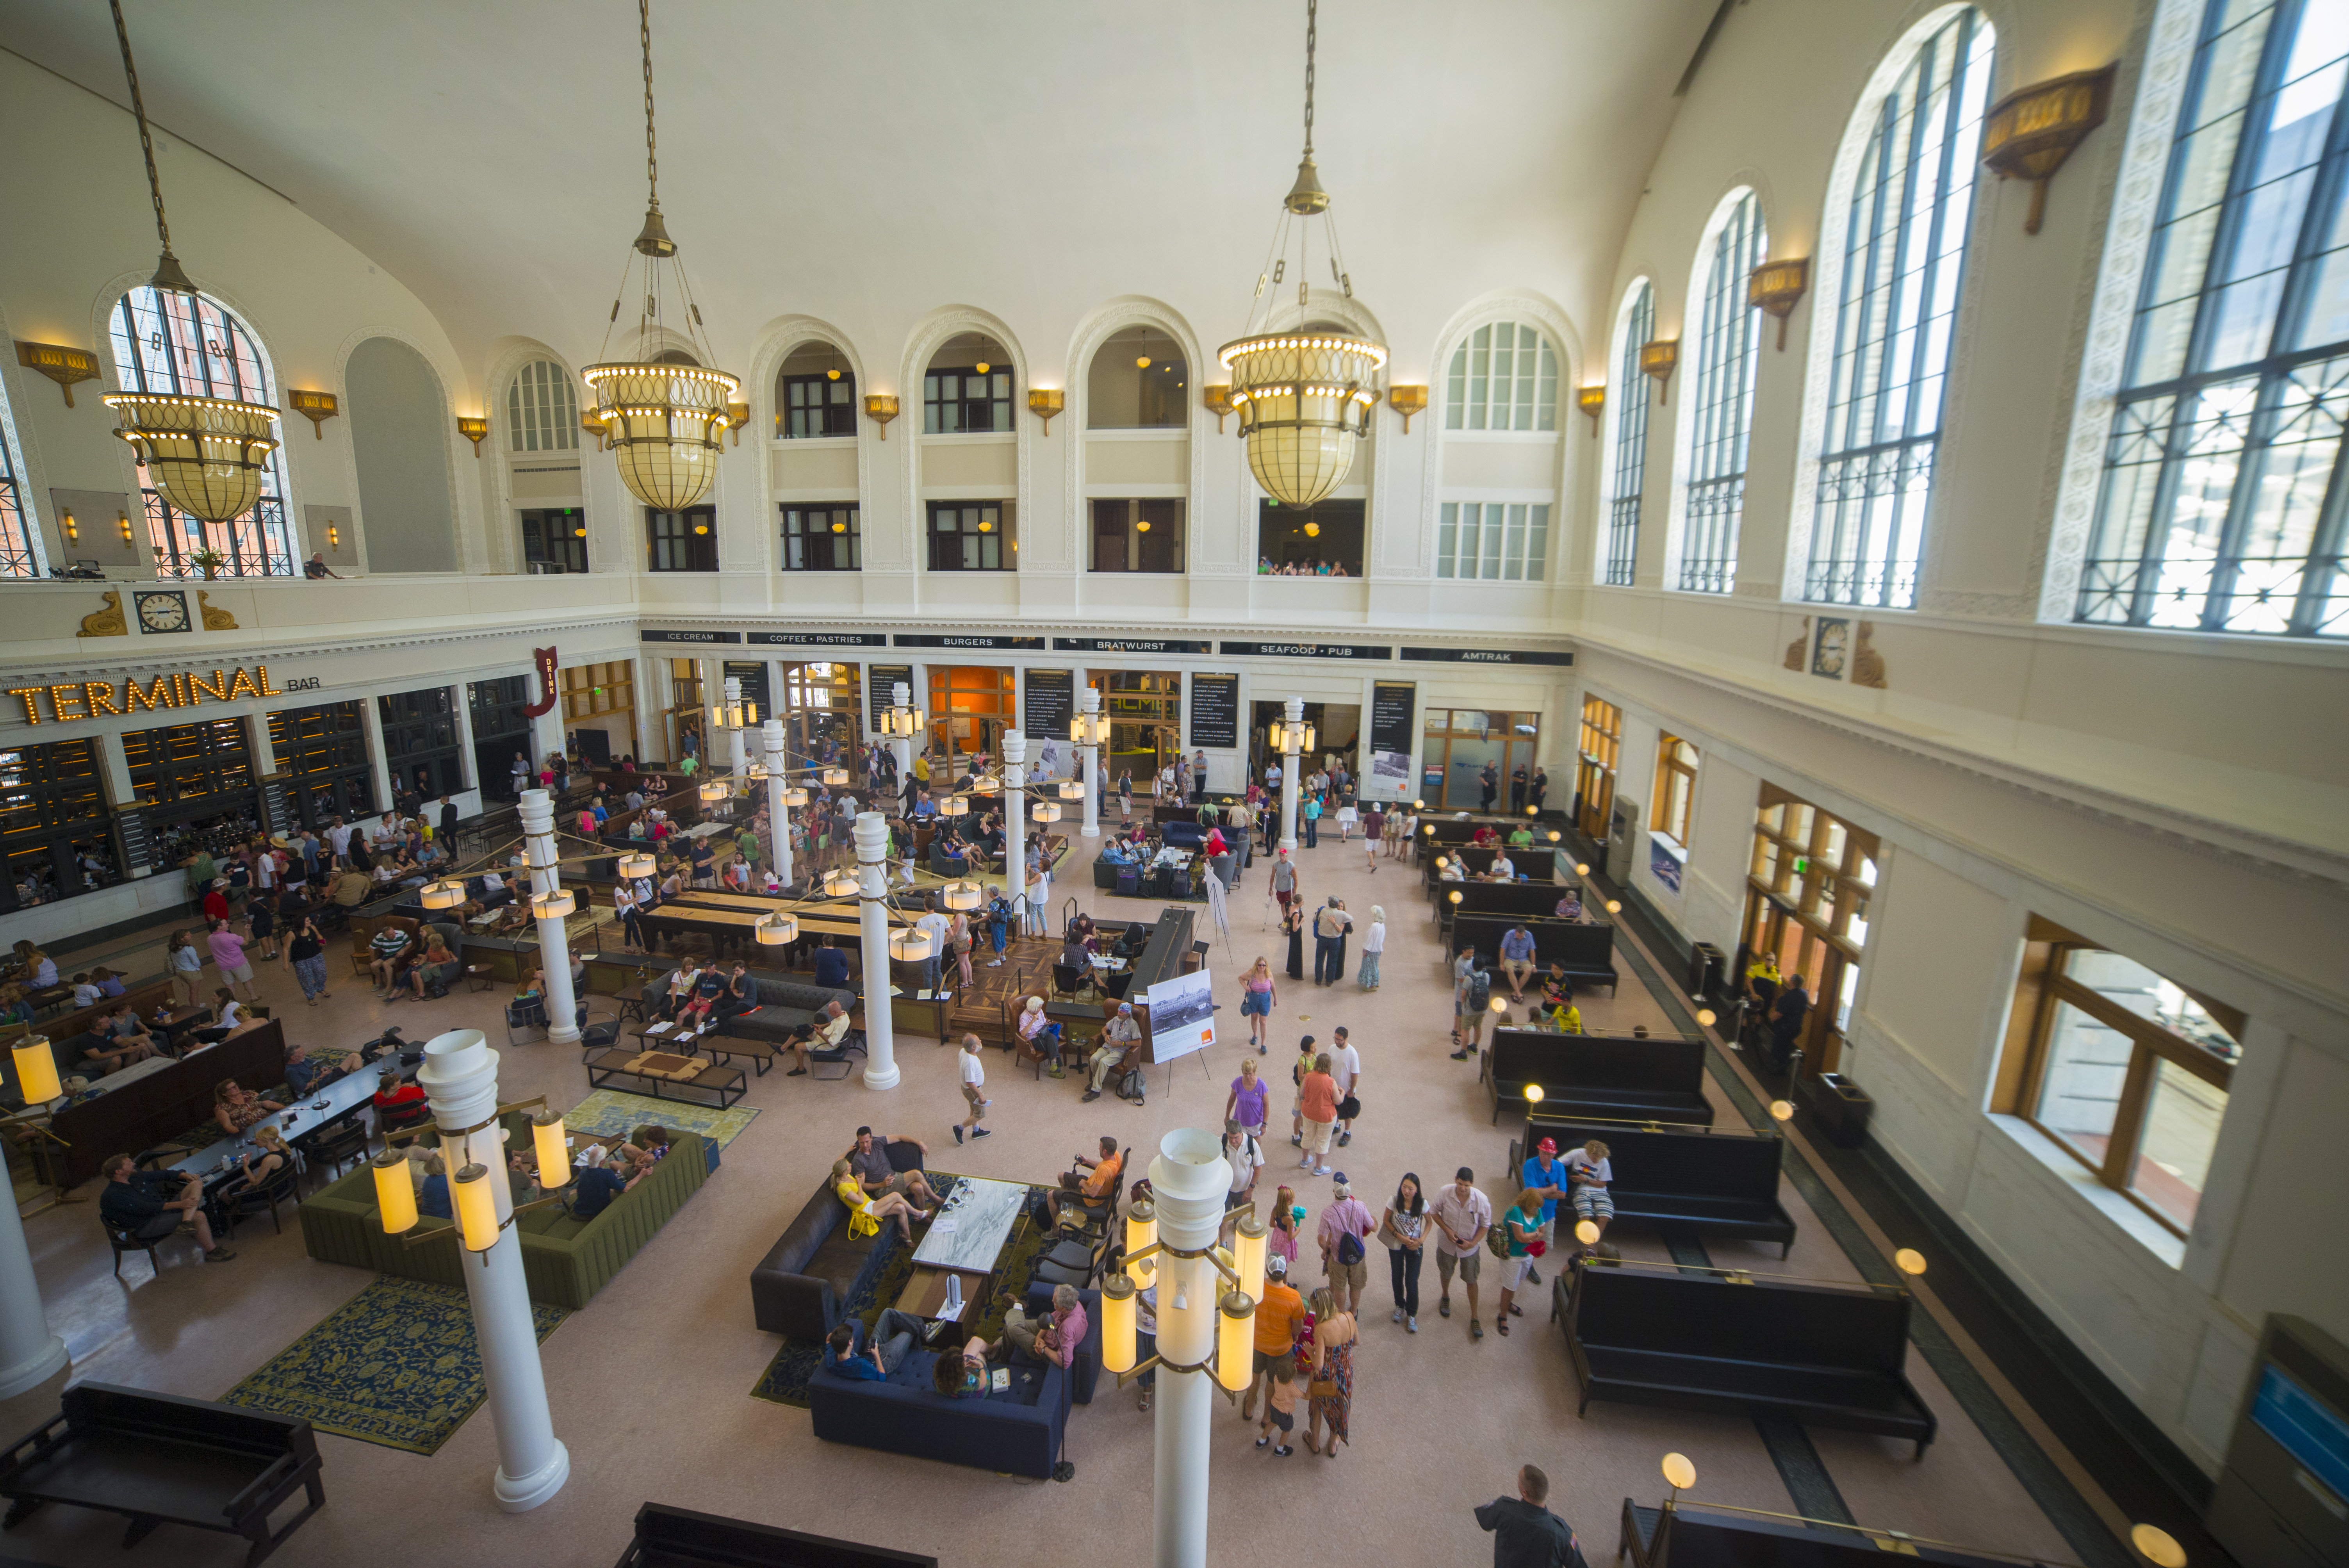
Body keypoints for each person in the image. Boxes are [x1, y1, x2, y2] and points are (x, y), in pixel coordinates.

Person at [98, 1153, 234, 1263]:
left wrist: (184, 1175)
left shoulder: (135, 1176)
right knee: (199, 1216)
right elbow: (147, 1209)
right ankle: (212, 1252)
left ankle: (186, 1223)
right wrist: (180, 1205)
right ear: (119, 1172)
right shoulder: (114, 1195)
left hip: (161, 1211)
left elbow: (162, 1175)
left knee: (197, 1184)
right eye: (129, 1163)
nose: (134, 1164)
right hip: (146, 1225)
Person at [1242, 1253, 1306, 1424]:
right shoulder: (1294, 1297)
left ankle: (1249, 1409)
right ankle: (1266, 1417)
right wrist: (1294, 1336)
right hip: (1280, 1349)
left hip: (1256, 1343)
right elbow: (1298, 1328)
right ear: (1286, 1272)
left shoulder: (1255, 1287)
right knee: (1272, 1382)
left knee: (1255, 1376)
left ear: (1267, 1270)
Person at [1431, 1166, 1493, 1340]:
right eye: (1460, 1184)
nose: (1463, 1188)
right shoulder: (1445, 1192)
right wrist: (1447, 1230)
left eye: (1466, 1185)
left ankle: (1475, 1317)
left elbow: (1486, 1224)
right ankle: (1445, 1296)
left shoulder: (1481, 1200)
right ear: (1455, 1180)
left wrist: (1473, 1243)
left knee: (1472, 1280)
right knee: (1446, 1272)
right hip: (1447, 1244)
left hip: (1470, 1248)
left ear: (1472, 1184)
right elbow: (1433, 1212)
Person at [1476, 1465, 1581, 1568]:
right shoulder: (1563, 1535)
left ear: (1525, 1492)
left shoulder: (1503, 1509)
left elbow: (1485, 1523)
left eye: (1519, 1479)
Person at [1303, 1284, 1355, 1459]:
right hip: (1345, 1371)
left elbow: (1319, 1365)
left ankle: (1314, 1443)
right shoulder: (1349, 1317)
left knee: (1318, 1405)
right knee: (1339, 1407)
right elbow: (1356, 1342)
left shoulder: (1321, 1329)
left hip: (1326, 1374)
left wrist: (1310, 1352)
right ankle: (1333, 1445)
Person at [831, 1156, 930, 1243]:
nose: (851, 1165)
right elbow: (860, 1201)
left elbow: (838, 1161)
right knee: (896, 1195)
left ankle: (907, 1237)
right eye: (848, 1165)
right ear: (844, 1172)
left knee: (901, 1208)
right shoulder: (843, 1188)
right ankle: (918, 1214)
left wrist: (849, 1150)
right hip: (865, 1212)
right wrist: (860, 1184)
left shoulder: (846, 1176)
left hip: (870, 1204)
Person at [1316, 1175, 1376, 1317]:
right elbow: (1373, 1227)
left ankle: (1341, 1314)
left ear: (1334, 1191)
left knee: (1339, 1288)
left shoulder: (1328, 1213)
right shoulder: (1360, 1206)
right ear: (1349, 1192)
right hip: (1358, 1257)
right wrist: (1374, 1220)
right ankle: (1354, 1312)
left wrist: (1328, 1250)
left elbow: (1321, 1240)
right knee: (1356, 1286)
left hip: (1338, 1258)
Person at [844, 1127, 939, 1209]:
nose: (865, 1145)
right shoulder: (858, 1160)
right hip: (882, 1189)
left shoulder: (877, 1143)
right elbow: (862, 1185)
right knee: (916, 1174)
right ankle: (937, 1200)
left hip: (894, 1177)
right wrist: (881, 1184)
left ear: (872, 1138)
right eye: (862, 1143)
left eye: (867, 1142)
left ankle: (922, 1218)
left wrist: (919, 1143)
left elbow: (899, 1137)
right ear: (858, 1141)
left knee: (918, 1188)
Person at [1381, 1172, 1427, 1331]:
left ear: (1417, 1190)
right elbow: (1386, 1220)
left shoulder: (1422, 1204)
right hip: (1397, 1244)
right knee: (1397, 1275)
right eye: (1404, 1187)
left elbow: (1430, 1222)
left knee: (1412, 1281)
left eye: (1411, 1189)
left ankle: (1412, 1313)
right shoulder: (1394, 1201)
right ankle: (1400, 1305)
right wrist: (1399, 1236)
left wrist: (1421, 1240)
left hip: (1414, 1246)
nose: (1406, 1191)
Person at [1494, 1186, 1542, 1334]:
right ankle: (1502, 1316)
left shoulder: (1537, 1210)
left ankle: (1508, 1303)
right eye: (1534, 1207)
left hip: (1528, 1255)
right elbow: (1520, 1237)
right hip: (1512, 1256)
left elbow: (1543, 1231)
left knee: (1516, 1282)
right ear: (1527, 1204)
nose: (1537, 1211)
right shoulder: (1515, 1211)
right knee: (1509, 1287)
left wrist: (1531, 1237)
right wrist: (1536, 1235)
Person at [1005, 1283, 1087, 1370]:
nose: (1052, 1301)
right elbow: (1051, 1320)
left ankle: (1018, 1307)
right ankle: (999, 1351)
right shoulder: (1074, 1304)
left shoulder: (1067, 1329)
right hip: (1049, 1330)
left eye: (1055, 1302)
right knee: (1011, 1326)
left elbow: (1065, 1362)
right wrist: (1039, 1337)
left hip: (1046, 1349)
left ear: (1063, 1308)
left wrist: (1044, 1348)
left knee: (1012, 1329)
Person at [1518, 1137, 1565, 1285]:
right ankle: (1523, 1265)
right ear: (1539, 1151)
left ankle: (1529, 1264)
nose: (1546, 1157)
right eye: (1544, 1153)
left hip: (1549, 1216)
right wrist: (1552, 1189)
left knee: (1540, 1243)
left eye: (1550, 1154)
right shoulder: (1530, 1165)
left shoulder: (1559, 1168)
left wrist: (1541, 1192)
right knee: (1525, 1239)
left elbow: (1562, 1194)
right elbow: (1531, 1193)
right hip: (1530, 1214)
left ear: (1554, 1154)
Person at [1046, 1135, 1123, 1226]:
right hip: (1091, 1183)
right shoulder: (1116, 1155)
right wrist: (1087, 1161)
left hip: (1088, 1199)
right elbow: (1103, 1165)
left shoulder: (1104, 1170)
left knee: (1050, 1195)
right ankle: (1064, 1202)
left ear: (1105, 1151)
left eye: (1100, 1147)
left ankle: (1056, 1228)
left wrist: (1083, 1184)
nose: (1099, 1148)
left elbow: (1093, 1194)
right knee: (1061, 1176)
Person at [1083, 1002, 1143, 1101]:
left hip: (1119, 1051)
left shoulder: (1133, 1025)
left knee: (1104, 1062)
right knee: (1093, 1059)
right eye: (1118, 1012)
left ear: (1128, 1014)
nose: (1119, 1014)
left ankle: (1096, 1091)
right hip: (1108, 1047)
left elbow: (1139, 1042)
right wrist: (1105, 1036)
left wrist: (1122, 1044)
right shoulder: (1116, 1020)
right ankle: (1097, 1081)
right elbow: (1104, 1029)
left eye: (1121, 1013)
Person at [1563, 1138, 1614, 1248]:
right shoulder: (1578, 1153)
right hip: (1581, 1190)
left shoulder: (1604, 1161)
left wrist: (1585, 1180)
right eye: (1595, 1157)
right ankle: (1585, 1240)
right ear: (1589, 1153)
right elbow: (1559, 1163)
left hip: (1600, 1191)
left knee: (1605, 1215)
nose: (1597, 1160)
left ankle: (1591, 1243)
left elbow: (1603, 1184)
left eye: (1600, 1158)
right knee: (1586, 1214)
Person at [1296, 1051, 1338, 1176]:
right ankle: (1318, 1168)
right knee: (1323, 1141)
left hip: (1308, 1113)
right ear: (1329, 1066)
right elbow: (1338, 1101)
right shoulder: (1331, 1082)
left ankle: (1305, 1160)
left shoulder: (1309, 1076)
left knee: (1307, 1136)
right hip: (1326, 1117)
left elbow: (1302, 1094)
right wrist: (1341, 1093)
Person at [1255, 1351, 1300, 1456]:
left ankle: (1261, 1440)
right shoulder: (1292, 1387)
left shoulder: (1276, 1378)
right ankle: (1280, 1449)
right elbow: (1306, 1397)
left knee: (1273, 1422)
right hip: (1285, 1413)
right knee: (1287, 1430)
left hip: (1274, 1407)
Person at [1452, 945, 1492, 1060]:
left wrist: (1463, 1007)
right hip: (1482, 1008)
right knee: (1478, 1027)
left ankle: (1463, 1053)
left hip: (1470, 1010)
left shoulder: (1469, 979)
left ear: (1473, 966)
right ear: (1483, 967)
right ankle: (1474, 1047)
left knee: (1465, 1030)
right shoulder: (1487, 976)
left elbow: (1463, 995)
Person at [207, 919, 259, 1004]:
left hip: (223, 966)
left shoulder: (210, 939)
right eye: (225, 924)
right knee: (246, 980)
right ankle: (253, 997)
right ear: (219, 927)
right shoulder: (231, 937)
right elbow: (246, 942)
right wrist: (246, 931)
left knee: (229, 985)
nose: (228, 925)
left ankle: (231, 1002)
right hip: (238, 963)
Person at [1328, 1025, 1363, 1146]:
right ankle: (1337, 1125)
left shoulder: (1352, 1053)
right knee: (1335, 1107)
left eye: (1340, 1040)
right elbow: (1329, 1066)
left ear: (1346, 1039)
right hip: (1334, 1087)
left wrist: (1351, 1090)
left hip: (1347, 1089)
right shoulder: (1332, 1049)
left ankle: (1347, 1132)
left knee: (1348, 1111)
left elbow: (1355, 1074)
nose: (1337, 1042)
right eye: (1336, 1039)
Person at [1768, 974, 1811, 1070]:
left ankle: (1777, 1068)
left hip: (1784, 1027)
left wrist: (1771, 1018)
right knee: (1786, 1046)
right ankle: (1783, 1068)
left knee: (1778, 1047)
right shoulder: (1804, 995)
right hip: (1797, 1027)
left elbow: (1779, 1014)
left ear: (1791, 982)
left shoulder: (1787, 997)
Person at [953, 1033, 991, 1144]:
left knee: (974, 1109)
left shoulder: (963, 1051)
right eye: (979, 1041)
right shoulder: (970, 1062)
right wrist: (980, 1096)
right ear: (973, 1047)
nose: (981, 1041)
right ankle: (959, 1128)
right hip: (972, 1090)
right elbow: (970, 1083)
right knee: (980, 1114)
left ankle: (976, 1131)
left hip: (967, 1089)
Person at [212, 1077, 282, 1135]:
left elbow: (268, 1104)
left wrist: (286, 1109)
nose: (236, 1088)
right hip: (250, 1131)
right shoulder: (222, 1108)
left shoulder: (250, 1094)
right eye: (232, 1088)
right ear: (224, 1094)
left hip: (267, 1121)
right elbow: (228, 1126)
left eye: (235, 1086)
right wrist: (243, 1135)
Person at [282, 1041, 348, 1099]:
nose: (305, 1054)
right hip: (324, 1083)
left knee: (353, 1056)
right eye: (302, 1053)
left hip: (329, 1075)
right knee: (349, 1081)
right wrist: (321, 1077)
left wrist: (322, 1067)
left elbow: (316, 1063)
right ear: (293, 1058)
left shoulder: (302, 1060)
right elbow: (304, 1088)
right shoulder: (291, 1071)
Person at [1238, 957, 1277, 1053]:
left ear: (1266, 966)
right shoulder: (1252, 973)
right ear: (1257, 965)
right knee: (1254, 1019)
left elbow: (1273, 987)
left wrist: (1276, 999)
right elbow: (1241, 978)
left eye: (1264, 965)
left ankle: (1263, 1044)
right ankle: (1255, 1035)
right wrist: (1245, 986)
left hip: (1265, 999)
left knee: (1263, 1022)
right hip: (1254, 998)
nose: (1262, 967)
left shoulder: (1269, 974)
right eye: (1260, 965)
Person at [1225, 1057, 1270, 1139]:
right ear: (1242, 1072)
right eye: (1245, 1074)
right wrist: (1227, 1116)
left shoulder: (1261, 1085)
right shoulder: (1237, 1083)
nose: (1248, 1076)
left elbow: (1266, 1105)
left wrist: (1264, 1124)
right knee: (1239, 1140)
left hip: (1256, 1122)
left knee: (1256, 1140)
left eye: (1250, 1074)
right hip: (1240, 1120)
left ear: (1255, 1072)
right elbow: (1232, 1100)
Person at [1310, 897, 1350, 986]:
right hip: (1335, 941)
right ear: (1337, 905)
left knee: (1319, 960)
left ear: (1328, 903)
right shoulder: (1341, 914)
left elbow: (1314, 920)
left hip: (1322, 939)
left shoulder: (1322, 911)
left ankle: (1319, 979)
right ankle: (1329, 981)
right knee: (1333, 961)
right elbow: (1351, 919)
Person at [367, 921, 413, 998]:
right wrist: (373, 960)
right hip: (387, 954)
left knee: (386, 964)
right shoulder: (380, 937)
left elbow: (410, 944)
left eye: (394, 932)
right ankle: (380, 982)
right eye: (391, 935)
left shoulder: (401, 934)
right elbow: (371, 948)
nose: (394, 935)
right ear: (384, 935)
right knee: (373, 965)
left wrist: (403, 950)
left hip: (397, 955)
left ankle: (390, 987)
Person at [166, 930, 206, 1007]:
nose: (191, 935)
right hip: (191, 972)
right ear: (182, 939)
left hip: (180, 971)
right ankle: (196, 1008)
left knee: (192, 991)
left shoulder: (174, 949)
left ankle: (197, 1005)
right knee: (194, 992)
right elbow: (196, 962)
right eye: (188, 935)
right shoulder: (189, 949)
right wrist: (199, 966)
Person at [1499, 921, 1537, 1001]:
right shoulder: (1509, 934)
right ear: (1515, 932)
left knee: (1529, 970)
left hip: (1524, 959)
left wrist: (1534, 966)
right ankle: (1518, 993)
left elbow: (1532, 951)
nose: (1520, 938)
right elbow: (1503, 949)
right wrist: (1502, 964)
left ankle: (1516, 992)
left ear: (1525, 934)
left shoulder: (1529, 935)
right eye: (1518, 936)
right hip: (1510, 958)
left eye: (1522, 936)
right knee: (1510, 970)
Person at [1357, 905, 1386, 991]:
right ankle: (1375, 982)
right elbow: (1382, 938)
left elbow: (1370, 939)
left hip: (1371, 950)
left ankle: (1371, 986)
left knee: (1370, 967)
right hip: (1378, 950)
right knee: (1375, 966)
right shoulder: (1382, 925)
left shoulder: (1374, 926)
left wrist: (1366, 950)